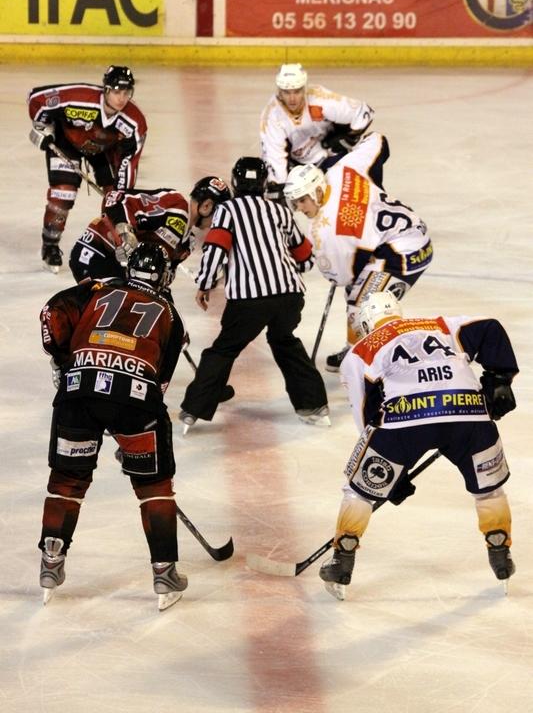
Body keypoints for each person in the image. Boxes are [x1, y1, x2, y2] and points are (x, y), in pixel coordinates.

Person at [318, 291, 518, 600]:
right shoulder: (441, 324)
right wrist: (499, 379)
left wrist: (387, 475)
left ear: (367, 323)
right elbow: (490, 327)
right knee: (488, 489)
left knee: (358, 490)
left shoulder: (360, 350)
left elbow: (365, 415)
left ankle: (343, 557)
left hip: (404, 423)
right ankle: (500, 551)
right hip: (468, 415)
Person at [38, 243, 189, 611]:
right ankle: (164, 571)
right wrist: (129, 436)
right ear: (164, 277)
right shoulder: (171, 315)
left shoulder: (98, 288)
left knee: (67, 481)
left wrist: (64, 362)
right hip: (136, 401)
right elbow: (159, 386)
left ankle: (51, 559)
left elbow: (50, 312)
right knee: (154, 484)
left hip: (78, 392)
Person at [179, 156, 329, 433]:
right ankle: (314, 406)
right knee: (285, 342)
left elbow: (216, 250)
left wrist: (205, 284)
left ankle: (193, 410)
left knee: (223, 350)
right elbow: (306, 258)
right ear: (263, 183)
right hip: (289, 296)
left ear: (235, 183)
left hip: (248, 300)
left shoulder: (227, 211)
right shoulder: (280, 211)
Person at [284, 131, 432, 372]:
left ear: (316, 191)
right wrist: (342, 146)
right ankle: (356, 348)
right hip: (406, 232)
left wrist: (353, 254)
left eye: (302, 200)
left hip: (405, 253)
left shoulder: (327, 229)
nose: (300, 208)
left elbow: (340, 278)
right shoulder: (343, 168)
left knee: (364, 302)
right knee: (359, 292)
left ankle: (379, 358)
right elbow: (378, 141)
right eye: (295, 202)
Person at [28, 65, 147, 272]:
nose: (122, 98)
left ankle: (116, 247)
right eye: (117, 92)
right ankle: (50, 244)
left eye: (127, 92)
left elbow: (130, 161)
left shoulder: (134, 122)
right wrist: (42, 128)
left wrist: (120, 196)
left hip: (104, 151)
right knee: (63, 194)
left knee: (115, 198)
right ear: (106, 89)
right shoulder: (80, 97)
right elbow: (37, 98)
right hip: (67, 142)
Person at [69, 176, 231, 285]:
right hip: (95, 254)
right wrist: (125, 232)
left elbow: (158, 282)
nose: (221, 219)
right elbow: (114, 197)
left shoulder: (187, 245)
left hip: (119, 271)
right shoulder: (175, 205)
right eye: (221, 212)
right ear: (206, 206)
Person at [259, 63, 375, 201]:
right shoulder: (272, 116)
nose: (292, 98)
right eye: (286, 92)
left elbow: (363, 112)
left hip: (330, 156)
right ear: (279, 91)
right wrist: (280, 188)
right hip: (296, 168)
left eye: (296, 91)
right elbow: (274, 157)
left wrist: (346, 138)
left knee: (349, 196)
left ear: (304, 88)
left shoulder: (320, 99)